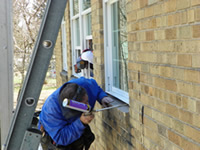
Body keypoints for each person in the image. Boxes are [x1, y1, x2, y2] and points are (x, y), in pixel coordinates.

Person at [39, 77, 113, 150]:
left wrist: (102, 97)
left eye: (87, 101)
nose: (89, 106)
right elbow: (61, 138)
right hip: (56, 134)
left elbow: (96, 88)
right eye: (84, 105)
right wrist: (81, 123)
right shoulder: (51, 111)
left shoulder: (84, 84)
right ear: (72, 107)